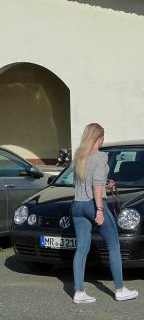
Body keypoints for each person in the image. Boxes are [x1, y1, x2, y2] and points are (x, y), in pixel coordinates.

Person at [71, 123, 138, 303]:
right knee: (114, 246)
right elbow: (96, 186)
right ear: (99, 137)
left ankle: (79, 293)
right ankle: (120, 289)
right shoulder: (100, 157)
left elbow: (85, 181)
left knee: (82, 249)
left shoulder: (79, 156)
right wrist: (100, 210)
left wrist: (105, 182)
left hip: (77, 205)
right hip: (93, 204)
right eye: (103, 137)